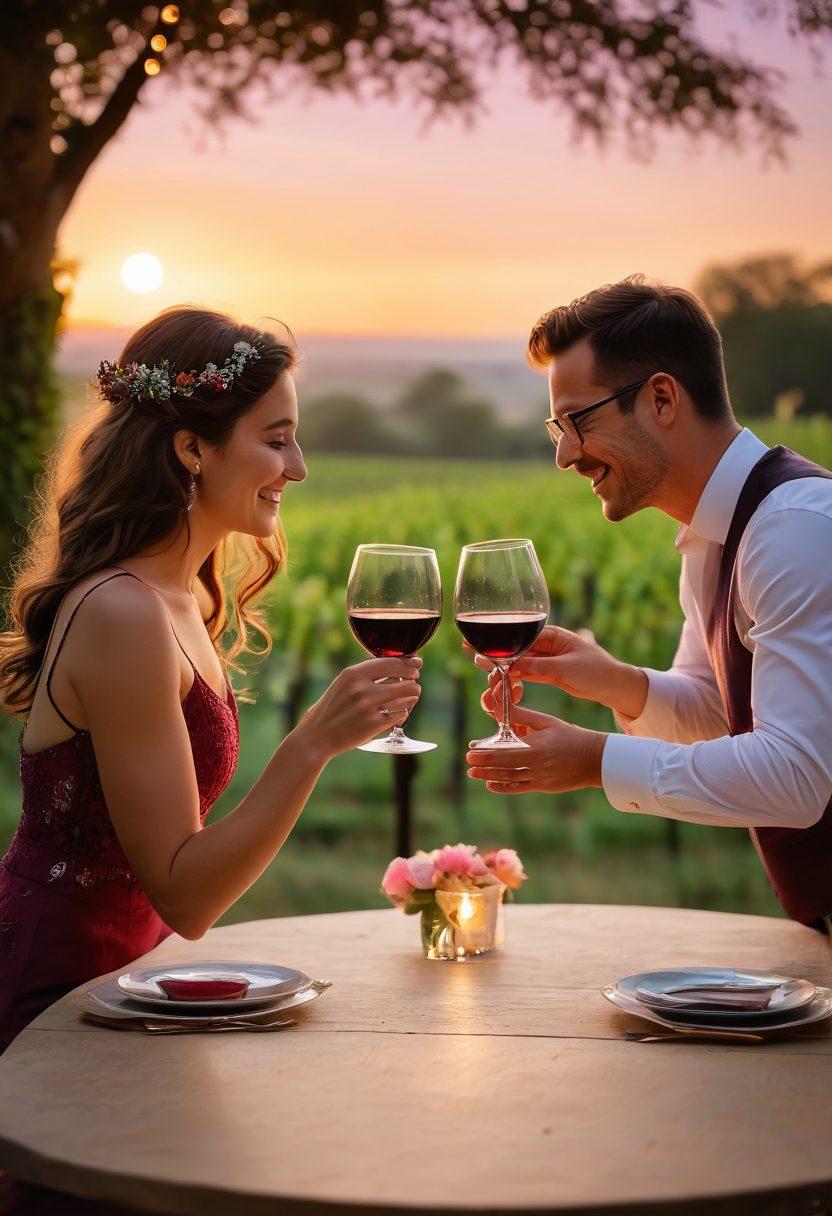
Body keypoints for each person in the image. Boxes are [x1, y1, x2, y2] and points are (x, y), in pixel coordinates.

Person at [0, 306, 422, 1054]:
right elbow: (184, 892)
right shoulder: (124, 612)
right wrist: (311, 745)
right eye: (276, 440)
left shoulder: (182, 596)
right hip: (55, 1002)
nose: (297, 468)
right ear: (192, 448)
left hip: (131, 989)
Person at [466, 276, 832, 931]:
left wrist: (593, 761)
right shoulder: (713, 536)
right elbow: (720, 717)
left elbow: (797, 777)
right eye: (558, 426)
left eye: (578, 421)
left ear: (662, 397)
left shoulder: (792, 528)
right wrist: (614, 682)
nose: (563, 454)